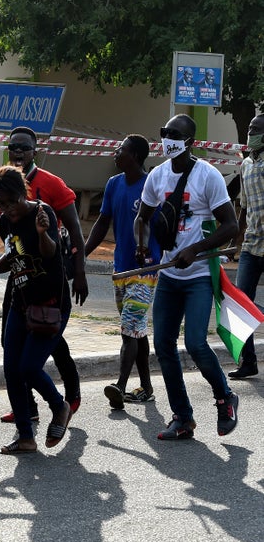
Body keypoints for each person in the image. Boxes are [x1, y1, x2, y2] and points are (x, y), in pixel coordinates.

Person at [134, 113, 239, 440]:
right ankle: (183, 417)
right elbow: (143, 217)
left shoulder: (208, 177)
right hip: (169, 276)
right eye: (165, 132)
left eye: (176, 134)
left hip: (196, 276)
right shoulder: (157, 176)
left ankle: (224, 397)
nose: (169, 139)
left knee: (194, 342)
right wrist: (142, 247)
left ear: (191, 142)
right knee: (163, 344)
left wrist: (195, 249)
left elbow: (231, 226)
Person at [0, 126, 85, 420]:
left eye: (24, 148)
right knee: (10, 340)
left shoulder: (51, 184)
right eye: (14, 148)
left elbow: (75, 228)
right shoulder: (4, 184)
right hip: (19, 270)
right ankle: (27, 408)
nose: (19, 153)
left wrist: (81, 269)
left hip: (48, 272)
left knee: (51, 337)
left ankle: (71, 393)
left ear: (36, 151)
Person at [0, 166, 72, 454]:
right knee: (12, 370)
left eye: (10, 203)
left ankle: (59, 406)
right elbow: (12, 254)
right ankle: (25, 436)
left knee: (29, 366)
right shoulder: (5, 221)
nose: (6, 209)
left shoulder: (43, 214)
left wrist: (42, 234)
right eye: (0, 204)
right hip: (21, 303)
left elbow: (51, 254)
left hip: (51, 305)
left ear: (21, 195)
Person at [83, 135, 159, 408]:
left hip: (146, 268)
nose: (115, 153)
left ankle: (120, 385)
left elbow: (161, 225)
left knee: (129, 328)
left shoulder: (152, 185)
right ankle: (147, 387)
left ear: (136, 156)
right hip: (121, 268)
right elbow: (103, 222)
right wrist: (82, 254)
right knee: (136, 329)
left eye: (121, 150)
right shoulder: (114, 184)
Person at [228, 112, 264, 379]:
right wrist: (234, 242)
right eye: (250, 127)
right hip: (252, 245)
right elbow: (243, 208)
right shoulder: (246, 166)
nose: (250, 133)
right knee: (241, 303)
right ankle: (248, 362)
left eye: (255, 129)